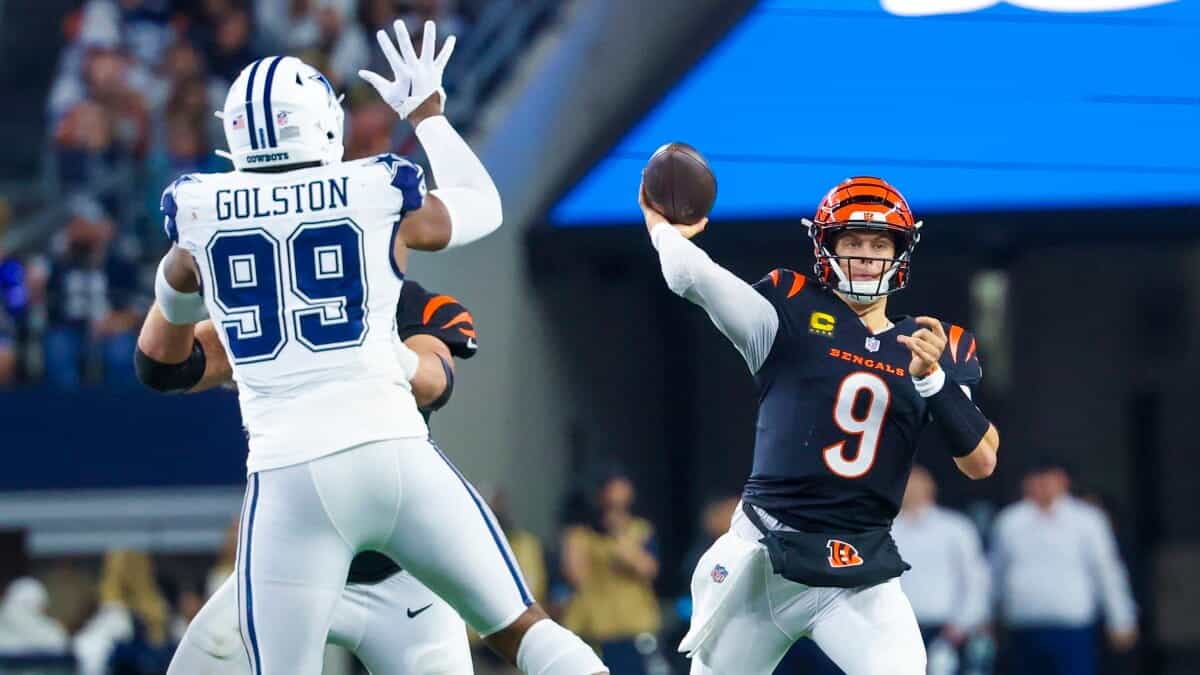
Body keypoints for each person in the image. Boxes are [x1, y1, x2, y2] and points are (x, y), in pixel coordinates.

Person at [139, 20, 605, 675]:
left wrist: (177, 282)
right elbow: (481, 206)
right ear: (322, 124)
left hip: (291, 480)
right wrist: (430, 117)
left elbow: (157, 364)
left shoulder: (199, 215)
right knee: (523, 629)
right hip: (393, 454)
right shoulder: (377, 193)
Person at [641, 175, 1000, 675]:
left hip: (859, 570)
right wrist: (662, 229)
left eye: (879, 244)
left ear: (900, 253)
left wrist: (933, 381)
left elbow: (982, 461)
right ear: (825, 247)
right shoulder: (790, 307)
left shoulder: (934, 343)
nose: (865, 256)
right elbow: (694, 279)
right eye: (852, 242)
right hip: (766, 557)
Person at [142, 278, 479, 674]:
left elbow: (435, 383)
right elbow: (164, 366)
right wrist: (176, 277)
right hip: (285, 571)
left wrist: (369, 347)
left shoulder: (401, 302)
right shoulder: (270, 306)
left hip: (404, 576)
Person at [991, 459, 1138, 675]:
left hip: (1072, 627)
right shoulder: (1010, 522)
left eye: (1048, 479)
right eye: (1036, 480)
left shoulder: (1087, 520)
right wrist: (985, 616)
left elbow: (1106, 571)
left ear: (1063, 481)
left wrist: (1121, 618)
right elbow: (996, 572)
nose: (1042, 486)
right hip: (1024, 627)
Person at [561, 466, 661, 675]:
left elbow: (649, 569)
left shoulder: (639, 530)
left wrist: (618, 537)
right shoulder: (581, 534)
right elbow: (575, 576)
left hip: (633, 628)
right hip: (595, 630)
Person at [892, 465, 991, 675]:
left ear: (930, 487)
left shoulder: (955, 528)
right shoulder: (884, 529)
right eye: (906, 482)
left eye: (917, 483)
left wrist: (961, 624)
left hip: (945, 630)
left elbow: (975, 580)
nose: (911, 489)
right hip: (894, 629)